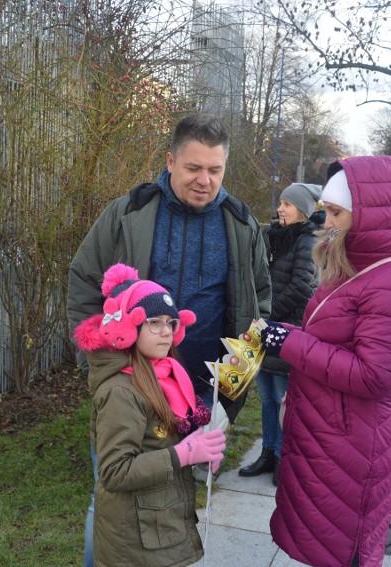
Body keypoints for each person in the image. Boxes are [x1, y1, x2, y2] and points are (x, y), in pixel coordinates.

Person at [67, 112, 271, 566]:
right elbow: (84, 284)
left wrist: (230, 393)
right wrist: (101, 372)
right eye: (193, 168)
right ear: (169, 162)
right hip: (131, 390)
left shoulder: (241, 224)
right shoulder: (128, 214)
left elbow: (260, 308)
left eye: (215, 170)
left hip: (199, 394)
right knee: (111, 499)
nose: (205, 180)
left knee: (173, 503)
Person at [260, 156, 391, 567]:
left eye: (336, 212)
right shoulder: (359, 268)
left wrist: (289, 343)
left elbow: (375, 376)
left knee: (343, 549)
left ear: (371, 216)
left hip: (354, 447)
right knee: (323, 546)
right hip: (331, 435)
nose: (327, 222)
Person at [73, 263, 226, 566]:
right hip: (134, 541)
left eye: (171, 323)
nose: (166, 332)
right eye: (154, 322)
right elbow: (114, 471)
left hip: (158, 528)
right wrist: (182, 455)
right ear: (130, 327)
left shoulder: (168, 376)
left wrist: (201, 448)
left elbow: (164, 437)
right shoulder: (121, 392)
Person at [239, 183, 320, 486]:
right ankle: (267, 453)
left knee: (281, 397)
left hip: (287, 330)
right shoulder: (272, 237)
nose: (280, 209)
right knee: (266, 397)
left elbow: (302, 287)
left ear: (303, 210)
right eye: (281, 203)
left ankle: (284, 457)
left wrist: (266, 317)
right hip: (264, 329)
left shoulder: (308, 242)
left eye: (287, 204)